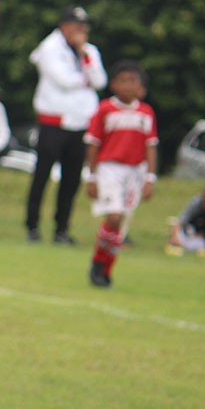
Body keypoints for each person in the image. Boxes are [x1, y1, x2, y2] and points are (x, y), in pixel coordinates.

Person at [24, 5, 108, 244]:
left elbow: (100, 80)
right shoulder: (51, 48)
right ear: (64, 26)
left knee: (71, 179)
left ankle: (61, 228)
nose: (81, 30)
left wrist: (84, 55)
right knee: (42, 176)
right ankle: (32, 225)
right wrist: (86, 79)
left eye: (84, 26)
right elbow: (63, 81)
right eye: (76, 25)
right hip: (54, 122)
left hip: (80, 123)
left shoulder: (89, 50)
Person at [84, 60, 158, 288]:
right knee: (113, 217)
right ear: (113, 84)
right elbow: (93, 144)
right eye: (122, 80)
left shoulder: (146, 113)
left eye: (133, 81)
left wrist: (150, 178)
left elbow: (151, 146)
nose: (127, 86)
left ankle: (106, 268)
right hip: (110, 169)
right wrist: (91, 176)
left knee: (121, 224)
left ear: (140, 87)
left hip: (135, 172)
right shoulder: (105, 109)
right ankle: (98, 262)